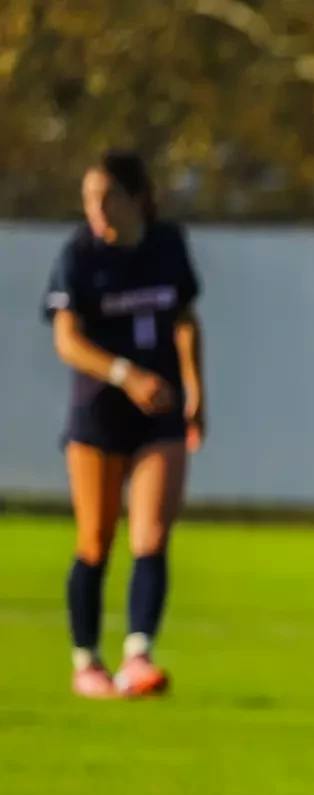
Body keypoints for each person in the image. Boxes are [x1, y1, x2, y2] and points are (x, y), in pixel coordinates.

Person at [44, 151, 205, 699]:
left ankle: (138, 655)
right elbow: (67, 340)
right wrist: (124, 374)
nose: (95, 207)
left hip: (159, 414)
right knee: (95, 540)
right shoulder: (80, 256)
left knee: (152, 535)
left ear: (138, 198)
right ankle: (86, 661)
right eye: (88, 197)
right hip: (99, 415)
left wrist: (195, 391)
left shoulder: (167, 245)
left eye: (106, 196)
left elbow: (184, 319)